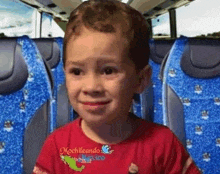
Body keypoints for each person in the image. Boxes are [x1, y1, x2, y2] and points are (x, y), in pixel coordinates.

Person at [33, 0, 201, 173]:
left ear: (140, 80)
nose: (91, 87)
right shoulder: (57, 147)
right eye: (76, 72)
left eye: (108, 71)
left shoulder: (163, 144)